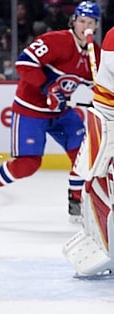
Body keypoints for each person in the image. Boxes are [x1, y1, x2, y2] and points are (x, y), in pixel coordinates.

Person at [0, 1, 101, 221]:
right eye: (81, 21)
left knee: (83, 155)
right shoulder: (56, 41)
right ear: (74, 20)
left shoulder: (93, 54)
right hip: (31, 109)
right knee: (28, 164)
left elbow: (99, 85)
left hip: (61, 111)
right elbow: (23, 64)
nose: (84, 27)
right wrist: (46, 88)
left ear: (96, 26)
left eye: (90, 23)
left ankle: (76, 202)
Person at [63, 25, 114, 277]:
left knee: (98, 180)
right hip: (109, 121)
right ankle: (105, 245)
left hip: (105, 122)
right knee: (99, 180)